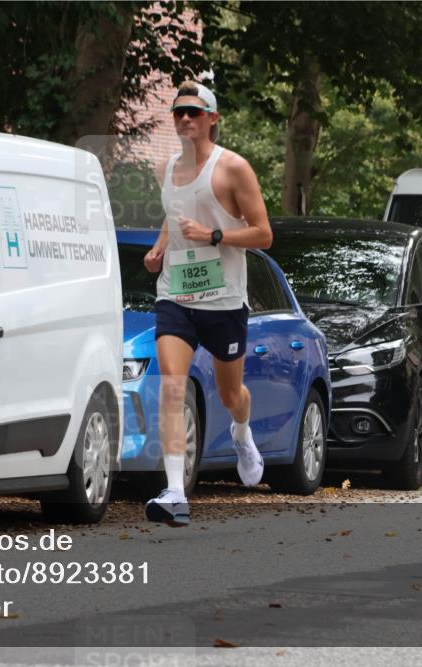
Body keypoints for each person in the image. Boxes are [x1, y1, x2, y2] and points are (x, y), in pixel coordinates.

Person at [144, 80, 273, 527]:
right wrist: (161, 246)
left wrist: (215, 235)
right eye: (178, 112)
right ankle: (176, 492)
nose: (184, 119)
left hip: (223, 299)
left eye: (194, 112)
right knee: (173, 385)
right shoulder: (167, 168)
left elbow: (263, 234)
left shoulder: (233, 168)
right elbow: (174, 213)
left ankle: (241, 433)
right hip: (176, 293)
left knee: (229, 393)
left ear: (213, 120)